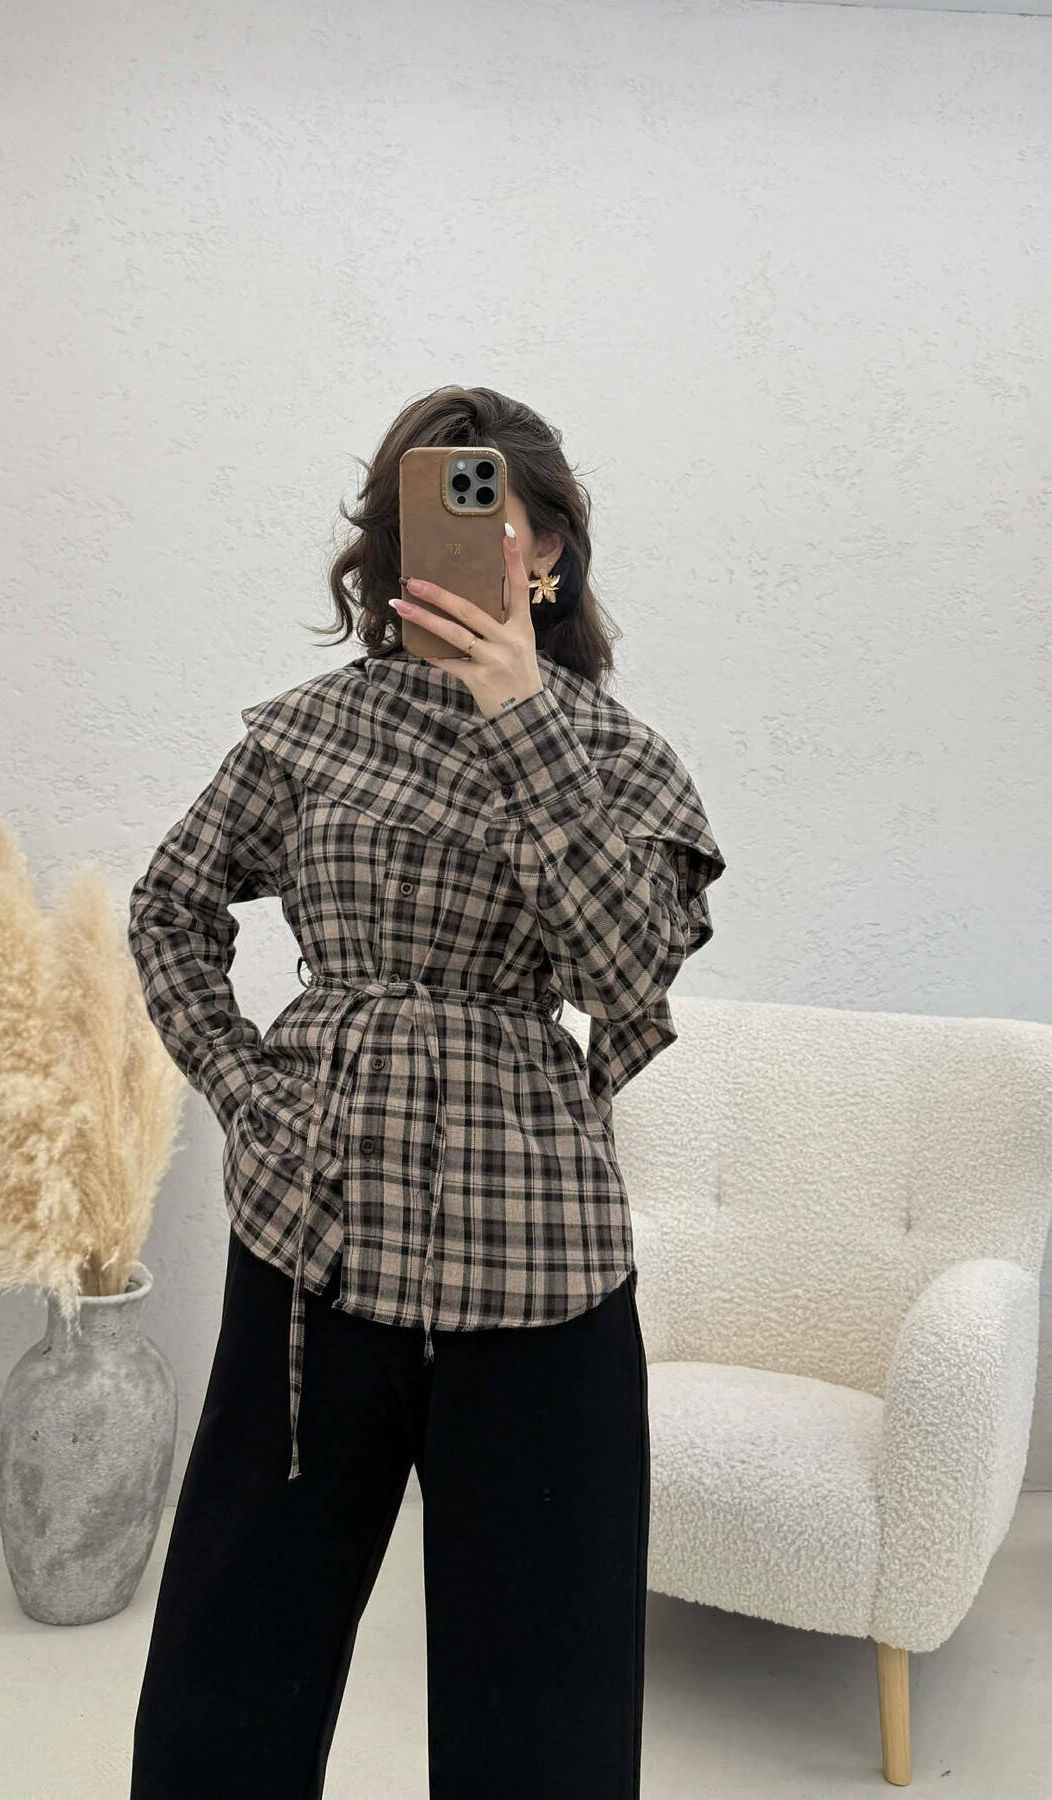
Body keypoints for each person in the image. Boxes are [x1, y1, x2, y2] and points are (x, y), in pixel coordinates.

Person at [126, 384, 726, 1799]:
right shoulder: (309, 734)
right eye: (419, 511)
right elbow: (169, 907)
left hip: (540, 1274)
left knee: (546, 1720)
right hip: (314, 1237)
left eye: (485, 510)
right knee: (230, 1684)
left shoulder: (621, 760)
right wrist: (245, 1088)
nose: (446, 540)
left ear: (546, 551)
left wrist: (523, 721)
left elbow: (628, 972)